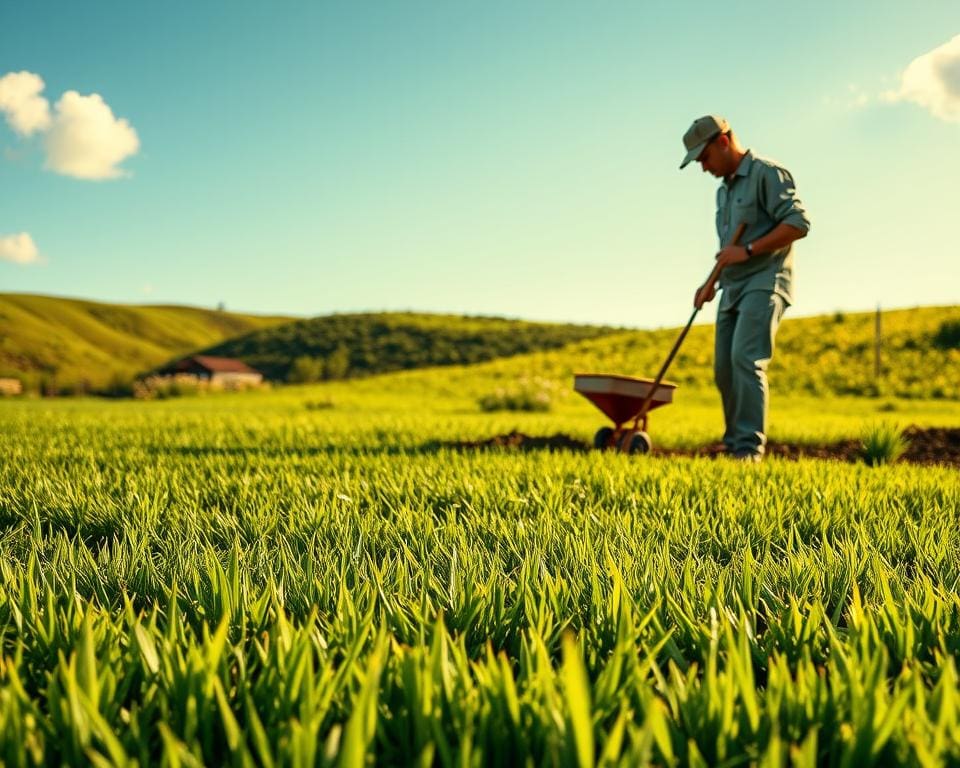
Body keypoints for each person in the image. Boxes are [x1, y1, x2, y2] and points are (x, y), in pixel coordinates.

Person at [680, 115, 810, 461]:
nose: (703, 167)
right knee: (724, 368)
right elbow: (729, 251)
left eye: (704, 158)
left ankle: (749, 450)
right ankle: (734, 442)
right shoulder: (723, 193)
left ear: (723, 142)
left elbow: (798, 223)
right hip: (732, 287)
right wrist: (711, 283)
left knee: (745, 359)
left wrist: (749, 251)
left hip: (765, 280)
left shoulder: (767, 174)